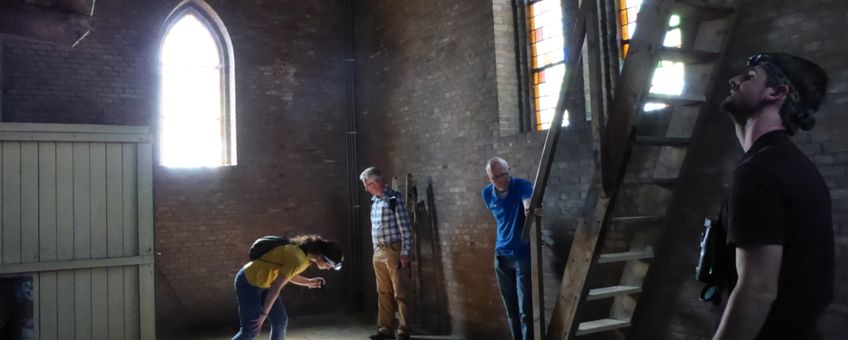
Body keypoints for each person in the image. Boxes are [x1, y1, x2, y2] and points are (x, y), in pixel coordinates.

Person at [713, 52, 834, 340]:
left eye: (750, 77)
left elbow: (757, 291)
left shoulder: (758, 172)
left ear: (776, 92)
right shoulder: (794, 166)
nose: (734, 80)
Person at [232, 234, 343, 340]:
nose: (328, 269)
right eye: (328, 265)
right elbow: (276, 287)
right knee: (251, 330)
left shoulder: (307, 257)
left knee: (280, 321)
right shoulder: (299, 258)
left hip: (266, 284)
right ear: (320, 257)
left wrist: (308, 282)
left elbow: (287, 274)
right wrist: (263, 314)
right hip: (249, 281)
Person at [481, 157, 534, 340]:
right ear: (490, 178)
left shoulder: (522, 185)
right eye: (497, 177)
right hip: (501, 256)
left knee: (525, 310)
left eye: (505, 174)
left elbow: (529, 205)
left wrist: (529, 209)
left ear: (509, 170)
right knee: (510, 309)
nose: (503, 179)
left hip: (522, 256)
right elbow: (501, 220)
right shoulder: (487, 194)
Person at [360, 167, 413, 340]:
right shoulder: (374, 201)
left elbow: (405, 228)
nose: (366, 188)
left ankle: (404, 330)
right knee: (383, 292)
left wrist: (405, 253)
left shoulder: (394, 198)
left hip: (393, 250)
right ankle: (385, 329)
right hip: (379, 251)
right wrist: (376, 249)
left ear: (375, 182)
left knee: (400, 292)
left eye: (367, 184)